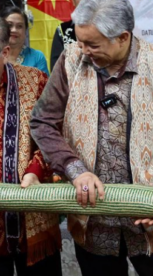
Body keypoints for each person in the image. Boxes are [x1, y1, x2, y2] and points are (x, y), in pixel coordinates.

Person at [30, 0, 153, 276]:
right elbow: (42, 122)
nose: (84, 51)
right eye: (80, 42)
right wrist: (76, 170)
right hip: (94, 225)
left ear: (123, 37)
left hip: (151, 224)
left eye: (92, 44)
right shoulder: (71, 62)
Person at [0, 18, 61, 276]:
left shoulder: (35, 81)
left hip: (32, 215)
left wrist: (35, 169)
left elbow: (54, 134)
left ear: (4, 52)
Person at [50, 0, 99, 71]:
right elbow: (56, 70)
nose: (86, 1)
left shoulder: (109, 28)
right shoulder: (62, 31)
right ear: (73, 1)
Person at [0, 6, 49, 76]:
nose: (14, 30)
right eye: (10, 25)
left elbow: (46, 85)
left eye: (19, 26)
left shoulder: (37, 57)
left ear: (25, 30)